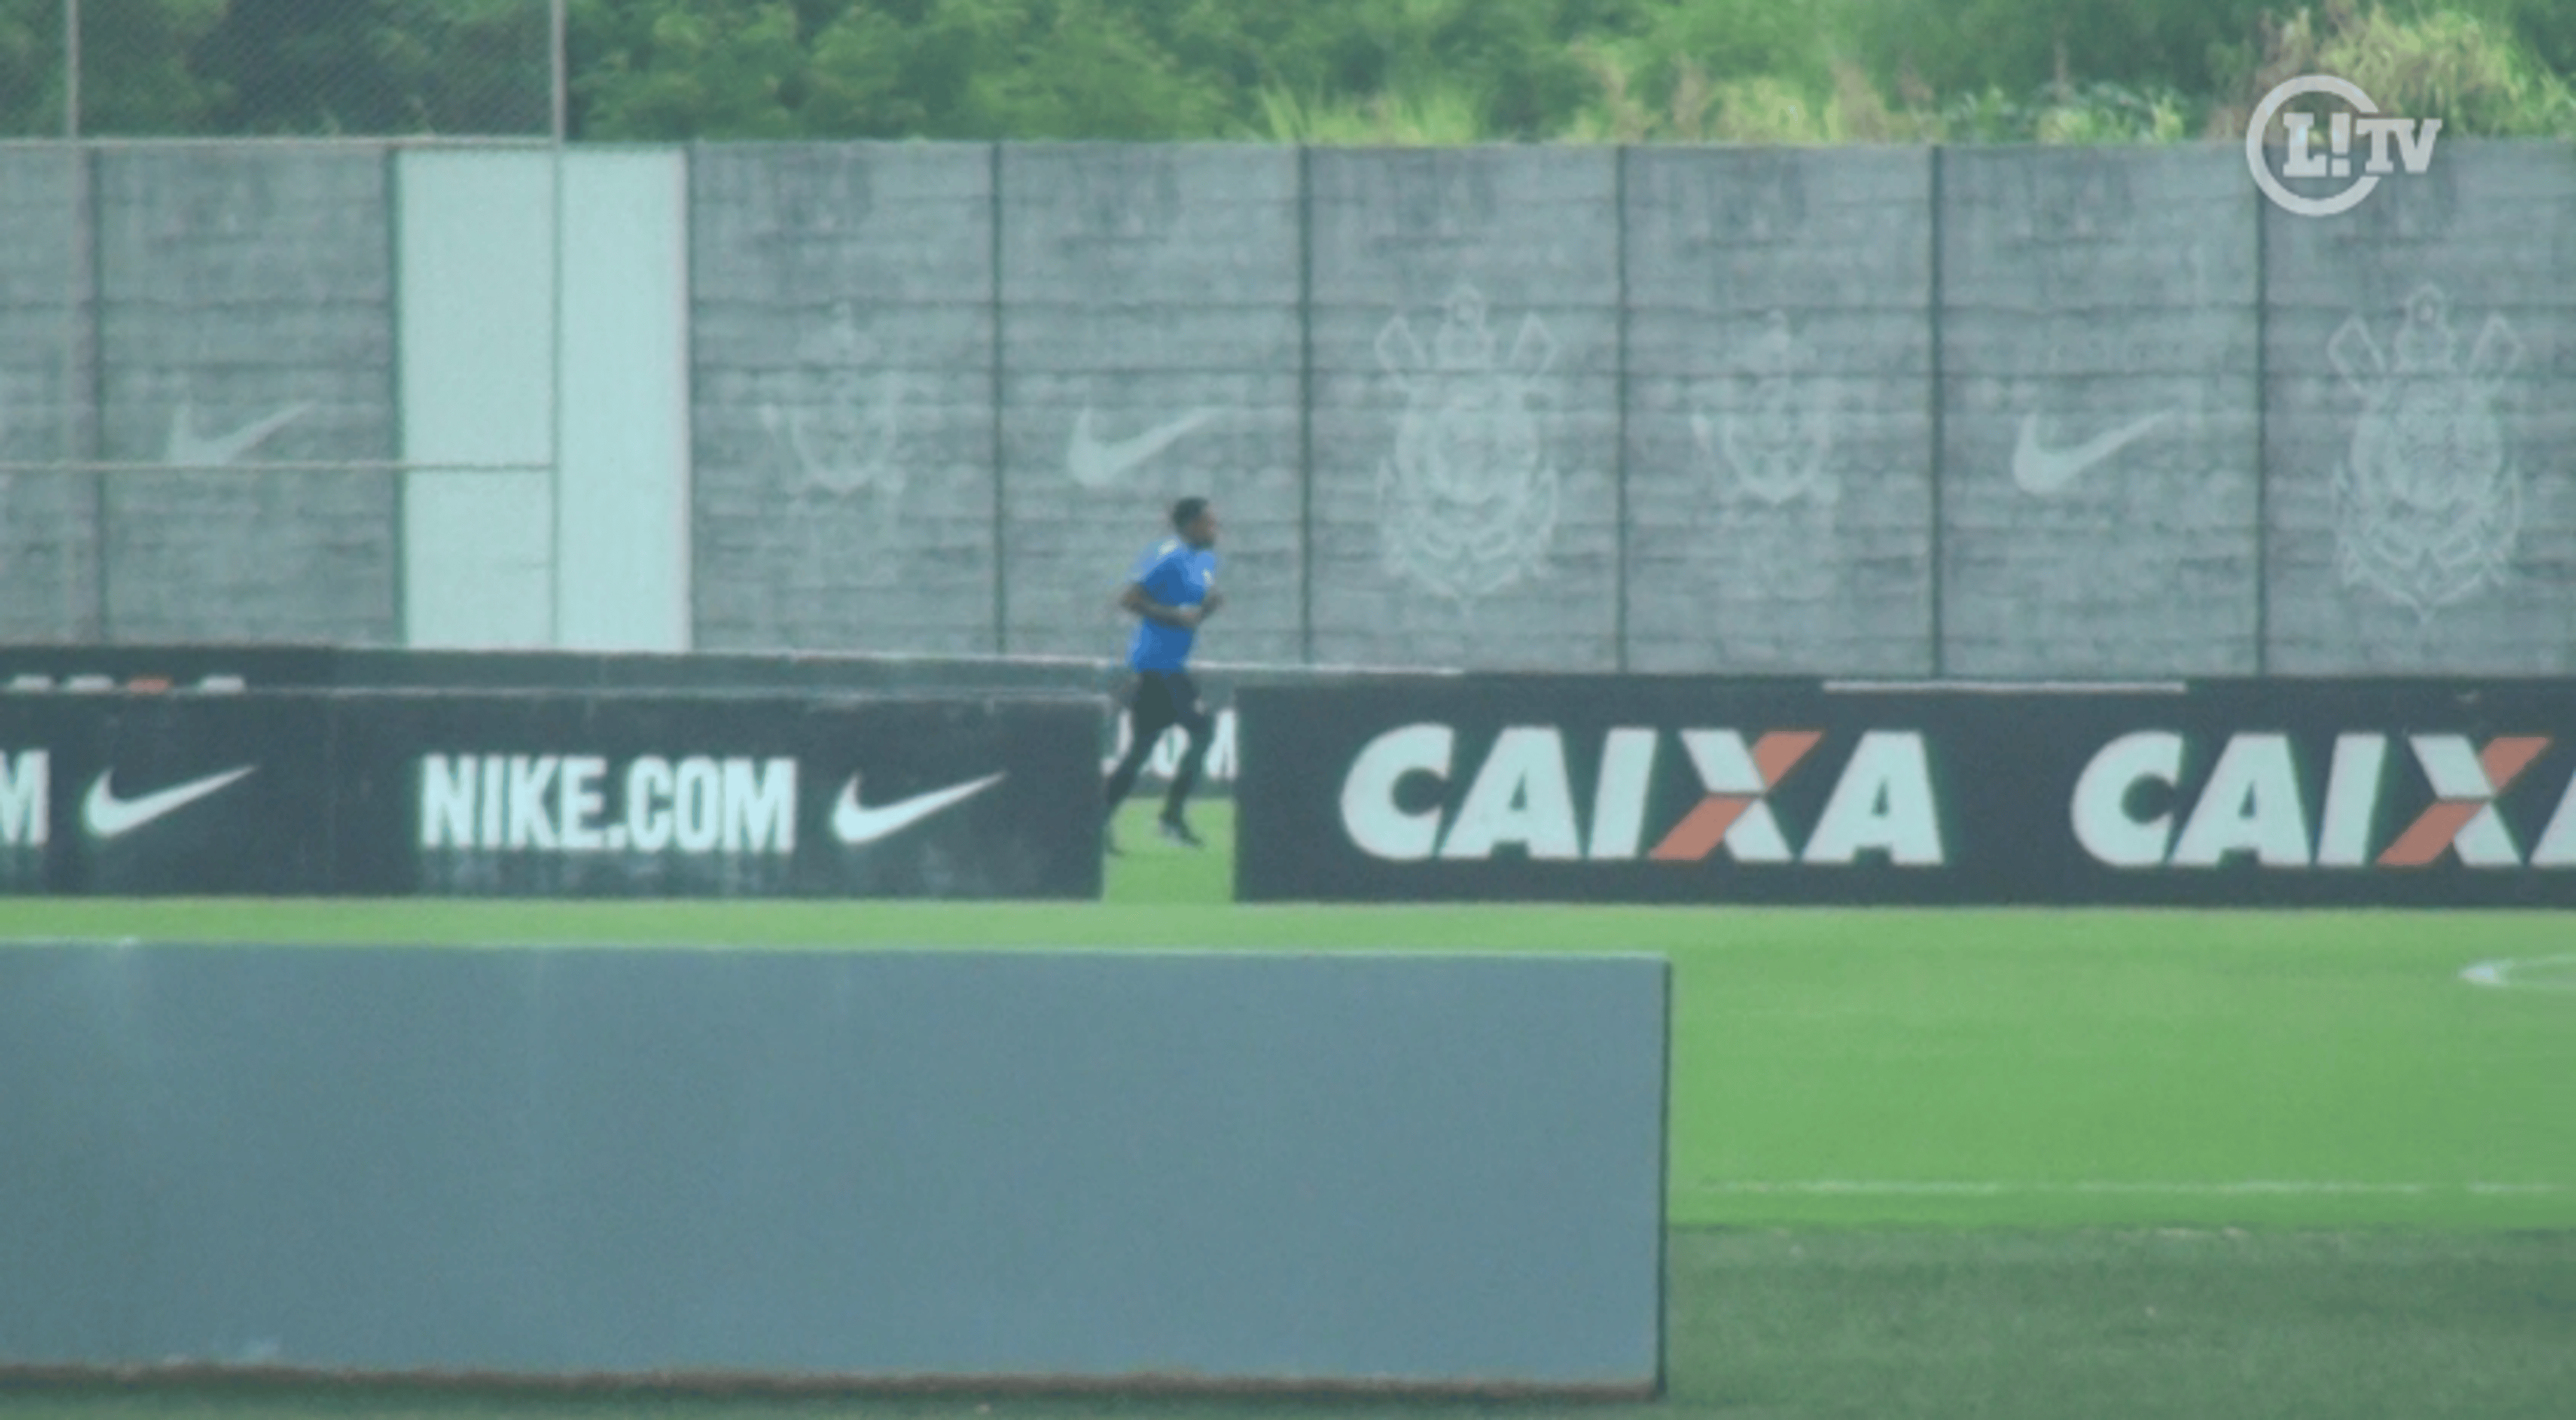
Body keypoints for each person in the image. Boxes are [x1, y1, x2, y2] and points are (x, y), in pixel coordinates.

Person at [1104, 497, 1223, 850]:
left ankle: (1101, 819)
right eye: (1209, 523)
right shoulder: (1166, 553)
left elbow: (1193, 614)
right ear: (1190, 525)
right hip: (1155, 665)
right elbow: (1128, 600)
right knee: (1201, 731)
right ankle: (1169, 819)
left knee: (1143, 748)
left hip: (1173, 665)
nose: (1216, 530)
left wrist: (1208, 610)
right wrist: (1175, 616)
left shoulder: (1205, 559)